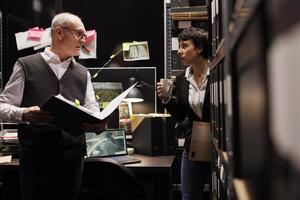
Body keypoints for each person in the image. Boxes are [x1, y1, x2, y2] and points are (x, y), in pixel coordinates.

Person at [0, 12, 107, 200]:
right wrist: (24, 114)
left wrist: (99, 124)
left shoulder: (83, 73)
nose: (83, 40)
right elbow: (3, 105)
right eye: (79, 34)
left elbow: (92, 109)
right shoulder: (26, 65)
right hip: (36, 159)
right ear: (59, 33)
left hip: (73, 160)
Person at [157, 27, 210, 200]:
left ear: (199, 48)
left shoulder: (217, 71)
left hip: (218, 142)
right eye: (179, 46)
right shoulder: (181, 79)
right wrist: (166, 99)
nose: (180, 50)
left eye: (184, 46)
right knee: (189, 196)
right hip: (194, 142)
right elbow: (180, 115)